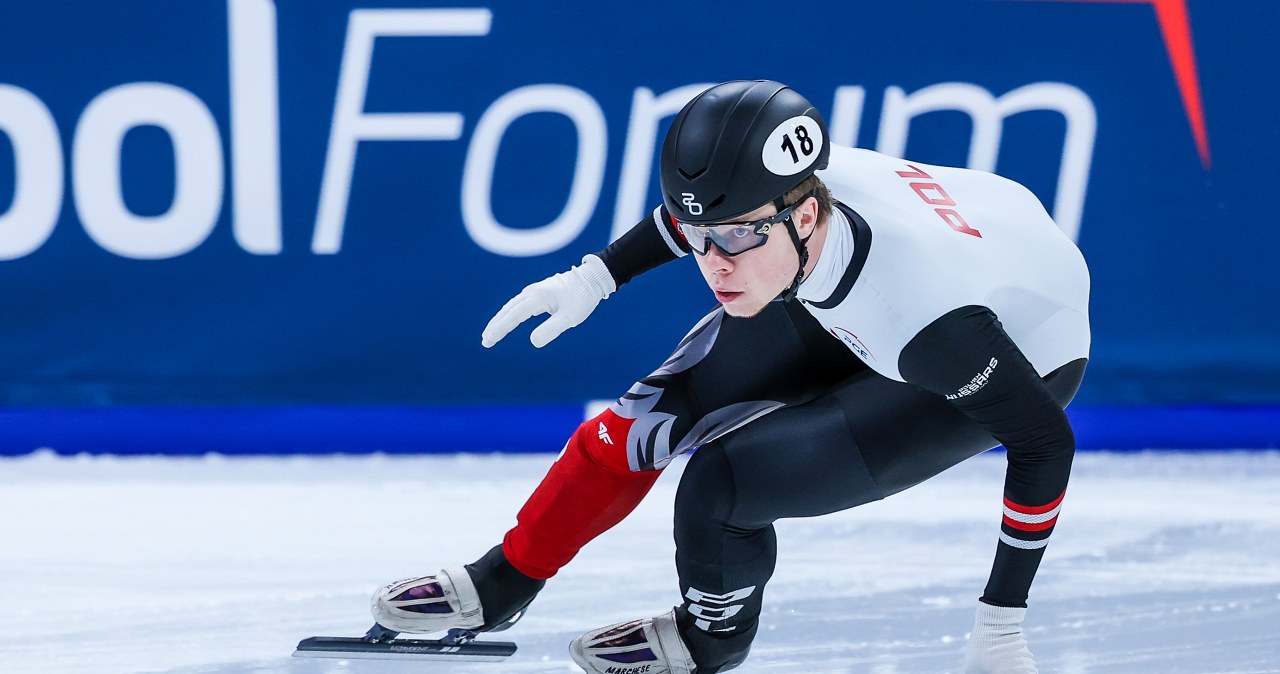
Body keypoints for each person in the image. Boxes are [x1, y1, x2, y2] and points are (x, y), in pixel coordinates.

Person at [370, 80, 1090, 674]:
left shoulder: (931, 324)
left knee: (724, 485)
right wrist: (594, 278)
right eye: (702, 241)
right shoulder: (776, 207)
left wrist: (1001, 624)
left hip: (1016, 340)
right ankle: (503, 581)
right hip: (903, 262)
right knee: (644, 418)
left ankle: (709, 641)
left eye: (738, 237)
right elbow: (703, 218)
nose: (716, 263)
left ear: (806, 215)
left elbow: (1044, 444)